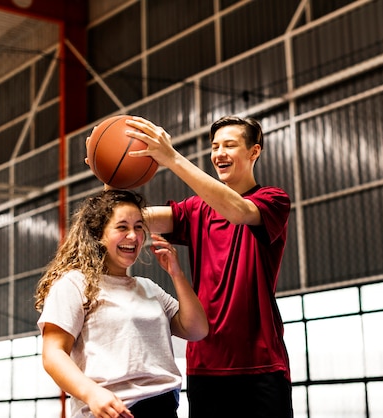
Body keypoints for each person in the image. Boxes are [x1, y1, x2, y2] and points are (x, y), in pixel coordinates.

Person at [121, 115, 293, 418]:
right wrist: (112, 176)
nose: (219, 153)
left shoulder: (273, 200)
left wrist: (172, 158)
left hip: (261, 364)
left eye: (230, 145)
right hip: (206, 366)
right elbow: (136, 220)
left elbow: (238, 211)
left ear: (254, 152)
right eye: (215, 147)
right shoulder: (196, 209)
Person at [34, 189, 208, 418]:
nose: (133, 236)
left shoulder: (148, 288)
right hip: (113, 409)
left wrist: (177, 274)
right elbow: (53, 354)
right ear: (99, 235)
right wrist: (92, 393)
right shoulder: (75, 284)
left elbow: (196, 329)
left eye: (138, 227)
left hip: (165, 408)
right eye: (122, 227)